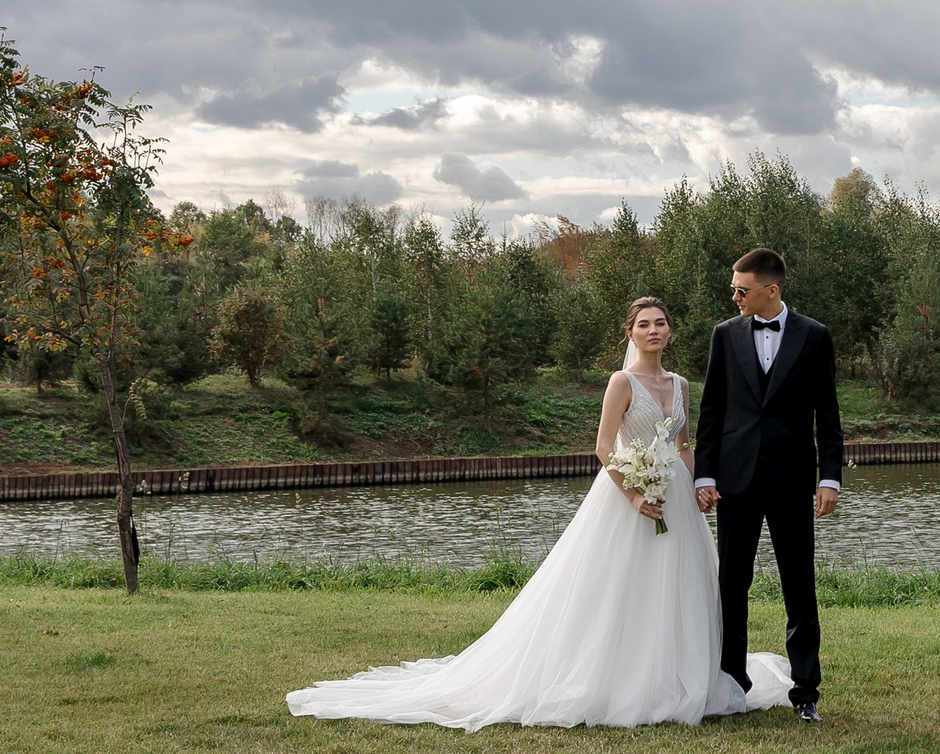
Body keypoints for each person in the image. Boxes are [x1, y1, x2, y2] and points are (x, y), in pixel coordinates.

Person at [284, 298, 791, 730]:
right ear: (630, 333)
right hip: (627, 493)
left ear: (670, 331)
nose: (653, 331)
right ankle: (623, 679)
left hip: (676, 498)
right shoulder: (622, 382)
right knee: (620, 587)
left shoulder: (680, 384)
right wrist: (634, 495)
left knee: (681, 584)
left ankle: (683, 675)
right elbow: (603, 446)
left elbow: (682, 443)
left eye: (660, 323)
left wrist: (701, 484)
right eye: (644, 324)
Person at [694, 246, 844, 723]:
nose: (734, 296)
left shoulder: (815, 336)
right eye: (733, 288)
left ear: (770, 289)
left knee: (799, 585)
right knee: (730, 584)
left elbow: (829, 414)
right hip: (735, 481)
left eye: (741, 289)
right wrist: (705, 472)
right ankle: (730, 685)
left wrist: (830, 479)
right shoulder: (724, 335)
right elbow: (712, 410)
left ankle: (806, 693)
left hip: (792, 479)